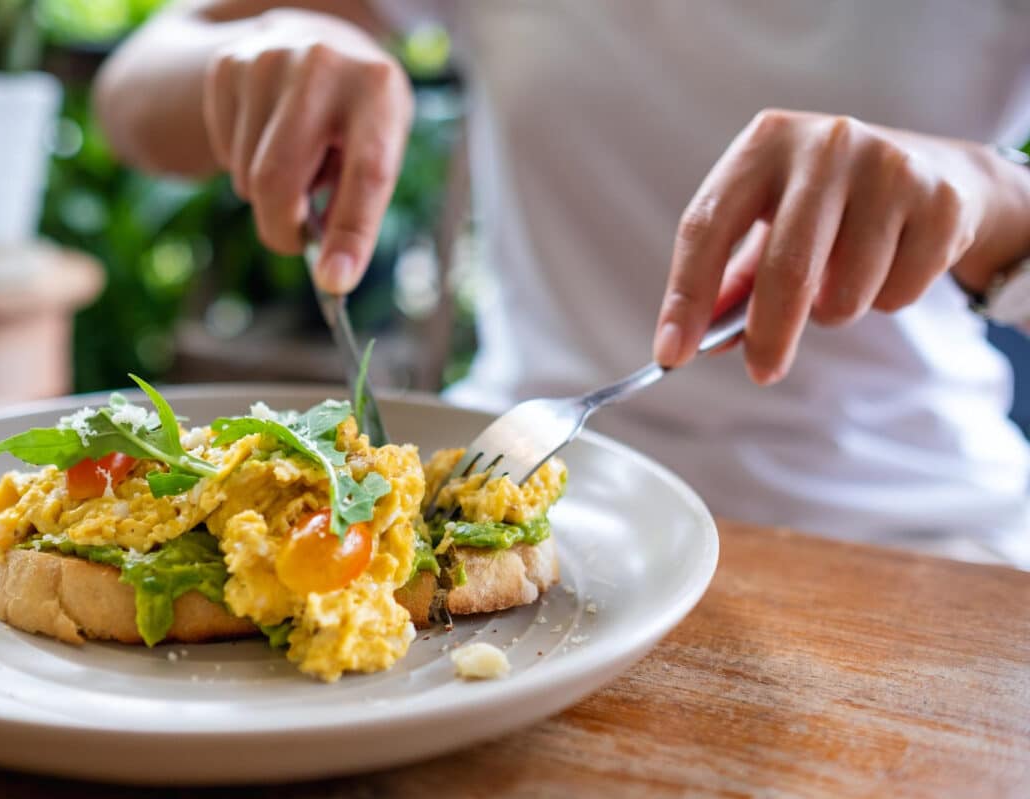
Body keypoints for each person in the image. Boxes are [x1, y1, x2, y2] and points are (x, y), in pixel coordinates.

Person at [95, 1, 1030, 566]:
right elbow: (131, 95)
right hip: (538, 491)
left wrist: (992, 199)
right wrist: (265, 40)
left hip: (917, 534)